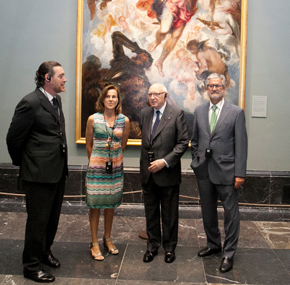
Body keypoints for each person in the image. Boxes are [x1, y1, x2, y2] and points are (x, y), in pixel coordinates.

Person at [6, 61, 68, 283]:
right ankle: (31, 266)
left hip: (57, 171)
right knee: (38, 221)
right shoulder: (30, 102)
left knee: (52, 219)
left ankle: (44, 252)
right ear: (47, 78)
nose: (65, 79)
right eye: (61, 75)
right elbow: (13, 138)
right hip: (38, 174)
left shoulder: (56, 100)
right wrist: (26, 164)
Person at [190, 73, 247, 273]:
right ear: (206, 88)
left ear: (224, 88)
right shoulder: (198, 111)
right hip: (204, 170)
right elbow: (195, 140)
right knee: (207, 211)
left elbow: (241, 145)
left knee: (231, 214)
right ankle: (214, 245)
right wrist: (196, 161)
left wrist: (240, 173)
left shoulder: (236, 113)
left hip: (228, 172)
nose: (214, 89)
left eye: (218, 86)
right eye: (211, 86)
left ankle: (229, 253)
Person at [140, 83, 188, 264]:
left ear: (165, 95)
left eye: (156, 94)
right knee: (150, 212)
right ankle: (152, 247)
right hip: (148, 173)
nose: (152, 97)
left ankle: (169, 248)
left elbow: (183, 143)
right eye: (150, 94)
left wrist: (164, 161)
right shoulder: (145, 113)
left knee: (169, 214)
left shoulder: (176, 114)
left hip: (167, 173)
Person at [85, 85, 130, 261]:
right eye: (108, 96)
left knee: (110, 205)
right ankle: (94, 242)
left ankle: (108, 239)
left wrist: (113, 157)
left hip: (115, 168)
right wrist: (96, 161)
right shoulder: (93, 119)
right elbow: (89, 144)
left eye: (114, 96)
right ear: (102, 99)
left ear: (118, 100)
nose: (111, 99)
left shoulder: (124, 120)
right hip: (97, 168)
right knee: (95, 205)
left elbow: (123, 144)